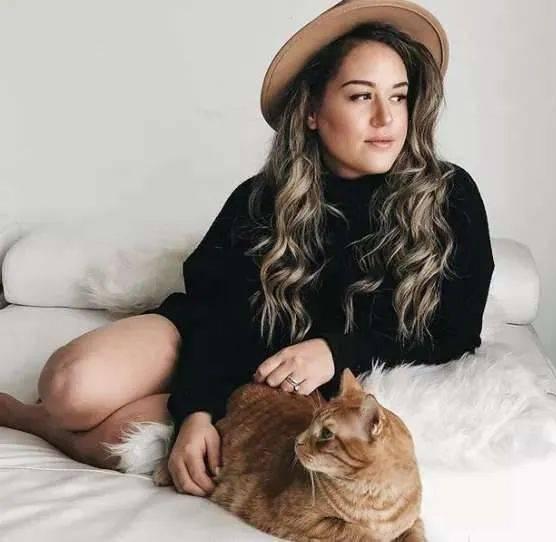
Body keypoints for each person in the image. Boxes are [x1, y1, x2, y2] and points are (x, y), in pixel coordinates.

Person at [0, 0, 494, 500]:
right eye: (361, 96)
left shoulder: (449, 196)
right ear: (312, 111)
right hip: (220, 344)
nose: (386, 117)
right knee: (70, 387)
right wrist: (196, 409)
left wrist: (336, 352)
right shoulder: (262, 197)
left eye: (399, 96)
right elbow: (218, 311)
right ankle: (47, 411)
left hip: (274, 380)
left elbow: (455, 331)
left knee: (122, 436)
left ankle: (34, 423)